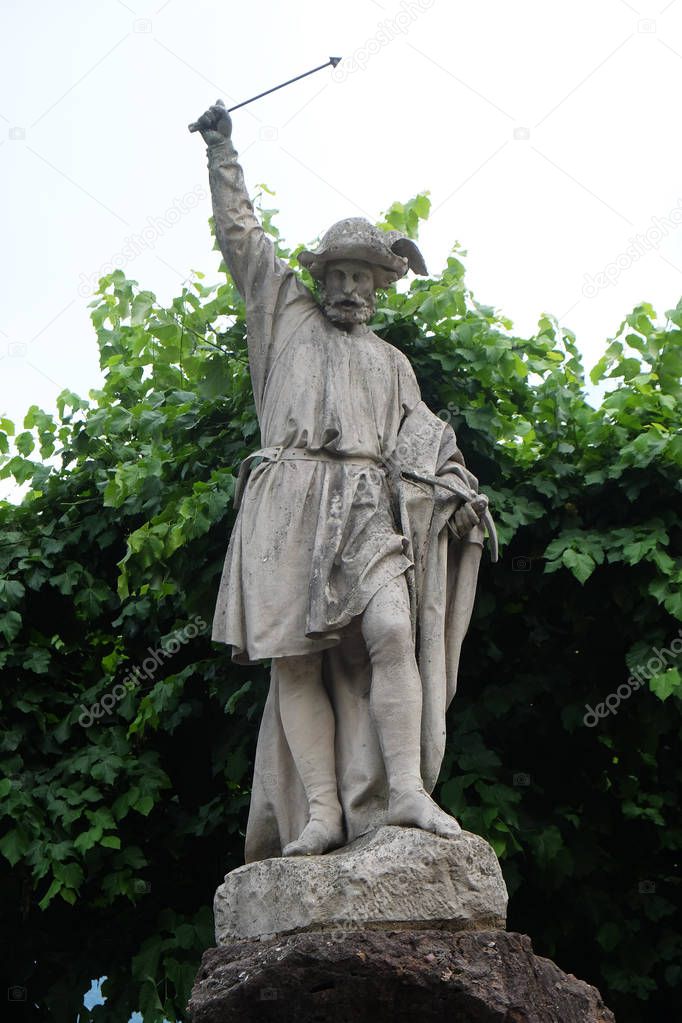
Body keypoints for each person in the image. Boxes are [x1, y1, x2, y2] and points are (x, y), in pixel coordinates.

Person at [191, 100, 492, 861]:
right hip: (287, 503)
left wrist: (457, 493)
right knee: (295, 660)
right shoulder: (284, 317)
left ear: (380, 285)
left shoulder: (394, 364)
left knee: (391, 631)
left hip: (365, 507)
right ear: (321, 277)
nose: (351, 286)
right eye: (341, 273)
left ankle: (407, 792)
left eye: (364, 276)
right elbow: (241, 236)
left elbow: (426, 445)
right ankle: (322, 811)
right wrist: (223, 151)